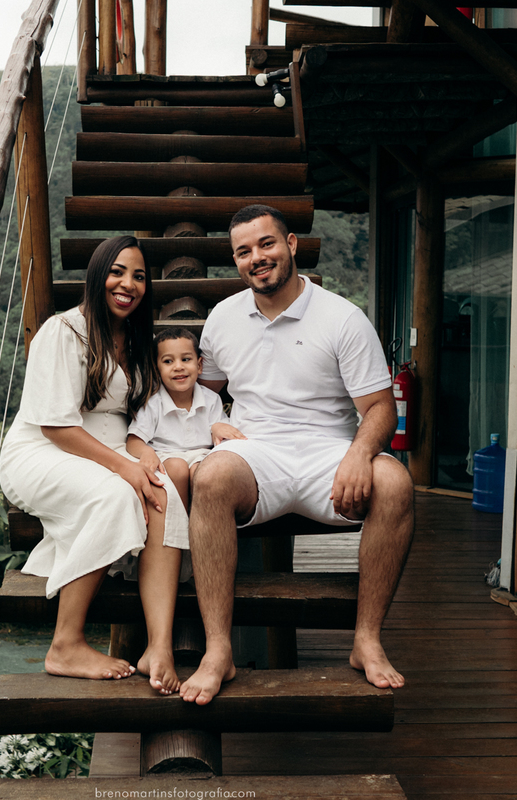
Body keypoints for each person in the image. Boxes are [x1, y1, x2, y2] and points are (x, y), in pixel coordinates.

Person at [179, 204, 415, 706]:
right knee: (212, 479)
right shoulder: (223, 318)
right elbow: (204, 390)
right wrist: (215, 419)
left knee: (395, 482)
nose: (256, 258)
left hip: (328, 456)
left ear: (291, 244)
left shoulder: (342, 318)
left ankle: (366, 639)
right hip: (255, 454)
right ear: (235, 262)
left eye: (266, 244)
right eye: (243, 251)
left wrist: (358, 454)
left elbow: (379, 409)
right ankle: (218, 650)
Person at [0, 235, 188, 694]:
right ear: (97, 274)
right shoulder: (63, 331)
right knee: (117, 493)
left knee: (163, 491)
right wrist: (123, 469)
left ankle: (158, 645)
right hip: (43, 451)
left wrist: (145, 457)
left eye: (139, 276)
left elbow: (139, 416)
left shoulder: (140, 340)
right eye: (118, 271)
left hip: (111, 451)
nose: (128, 284)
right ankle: (65, 644)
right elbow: (56, 427)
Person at [126, 327, 245, 512]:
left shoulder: (210, 398)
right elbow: (133, 441)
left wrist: (219, 426)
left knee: (203, 471)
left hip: (201, 455)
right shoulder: (153, 403)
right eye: (168, 361)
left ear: (199, 365)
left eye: (186, 359)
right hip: (166, 457)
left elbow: (222, 430)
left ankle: (201, 521)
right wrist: (146, 452)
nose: (178, 366)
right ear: (156, 368)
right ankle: (179, 522)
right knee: (177, 468)